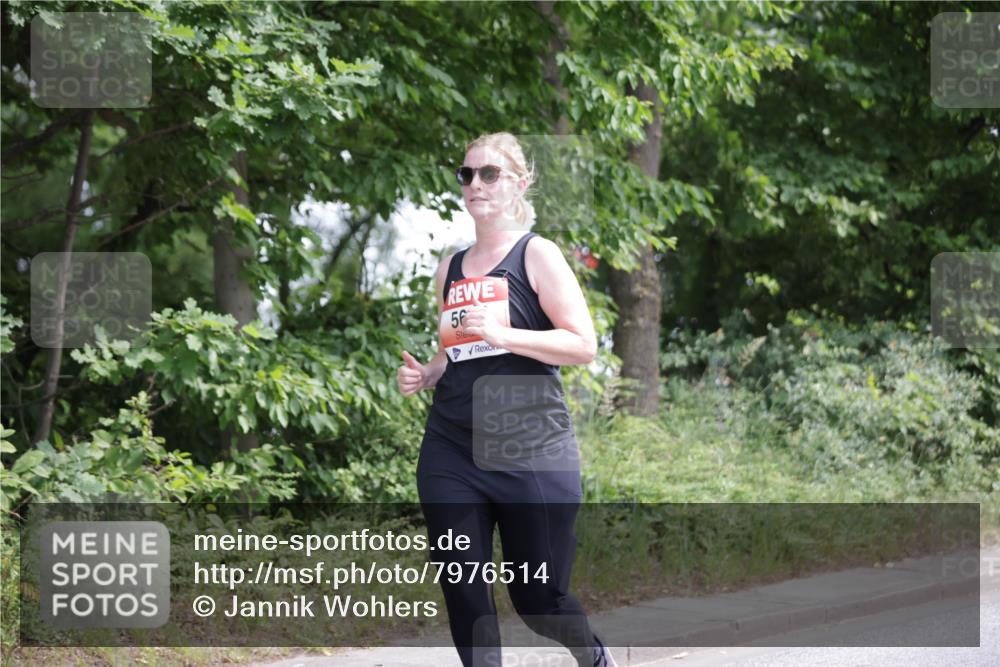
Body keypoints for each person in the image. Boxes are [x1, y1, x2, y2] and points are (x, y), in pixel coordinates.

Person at [397, 132, 618, 667]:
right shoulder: (450, 269)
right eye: (467, 174)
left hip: (530, 448)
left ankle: (594, 658)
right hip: (452, 446)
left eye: (489, 173)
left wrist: (506, 335)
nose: (475, 184)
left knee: (539, 601)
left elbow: (582, 345)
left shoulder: (537, 254)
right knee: (465, 589)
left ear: (518, 182)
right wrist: (428, 373)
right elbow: (458, 351)